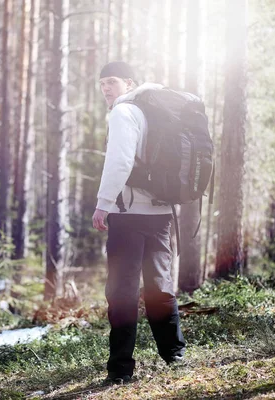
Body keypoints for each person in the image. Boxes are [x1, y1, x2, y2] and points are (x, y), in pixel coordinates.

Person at [92, 61, 186, 384]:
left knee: (122, 292)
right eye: (102, 83)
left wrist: (103, 204)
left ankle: (120, 369)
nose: (106, 88)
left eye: (112, 82)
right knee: (160, 287)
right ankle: (175, 355)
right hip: (161, 213)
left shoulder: (123, 113)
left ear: (129, 83)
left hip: (128, 218)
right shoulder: (153, 114)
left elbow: (119, 161)